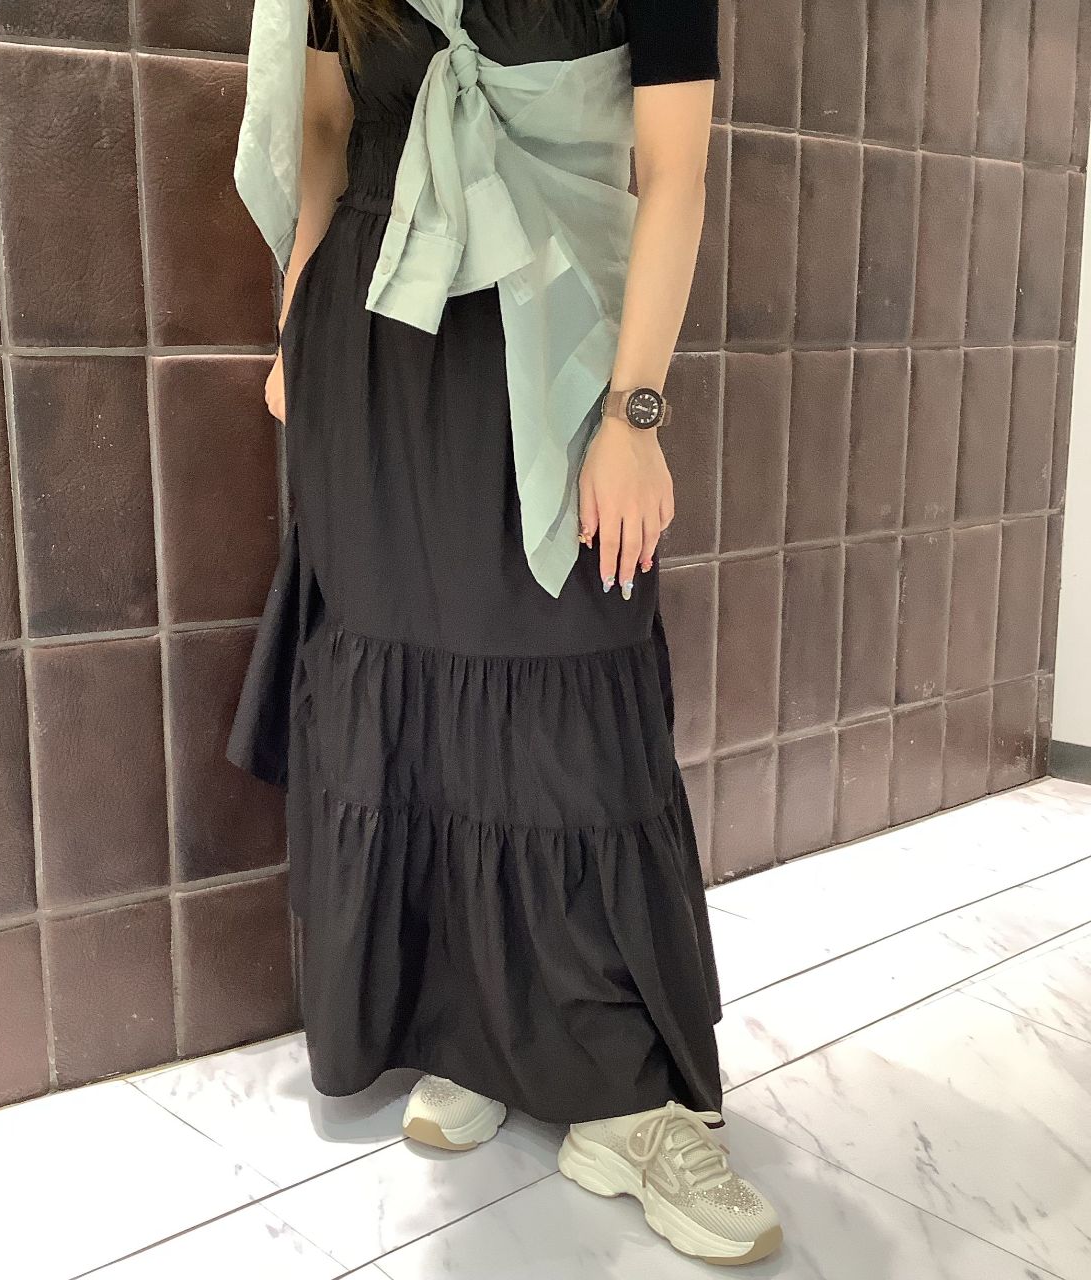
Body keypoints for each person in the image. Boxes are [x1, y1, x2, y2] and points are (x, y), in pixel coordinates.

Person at [228, 0, 782, 1265]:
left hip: (554, 327)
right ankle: (473, 1031)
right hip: (368, 332)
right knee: (408, 687)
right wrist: (293, 323)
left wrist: (634, 413)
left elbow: (673, 172)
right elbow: (323, 129)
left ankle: (631, 1097)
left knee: (574, 701)